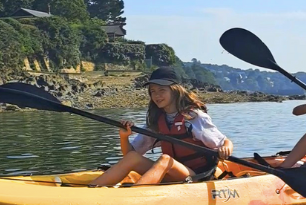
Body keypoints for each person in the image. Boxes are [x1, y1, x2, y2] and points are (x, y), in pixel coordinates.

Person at [90, 67, 234, 186]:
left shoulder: (194, 117)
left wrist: (227, 146)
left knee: (165, 159)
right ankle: (92, 189)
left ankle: (134, 196)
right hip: (172, 174)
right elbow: (129, 155)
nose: (156, 95)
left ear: (175, 90)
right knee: (134, 157)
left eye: (161, 90)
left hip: (198, 176)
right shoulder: (156, 122)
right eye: (153, 91)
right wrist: (124, 137)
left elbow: (224, 142)